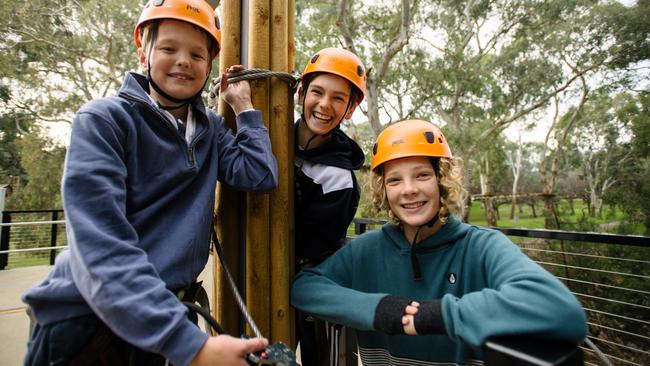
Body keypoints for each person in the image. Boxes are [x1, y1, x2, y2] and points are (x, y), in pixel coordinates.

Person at [22, 0, 277, 365]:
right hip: (89, 321)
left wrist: (244, 110)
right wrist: (190, 343)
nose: (184, 61)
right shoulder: (104, 121)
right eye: (169, 48)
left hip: (164, 318)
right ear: (144, 50)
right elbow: (101, 243)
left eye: (197, 54)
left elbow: (260, 175)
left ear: (210, 64)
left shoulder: (209, 128)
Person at [291, 119, 587, 364]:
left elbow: (561, 311)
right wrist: (377, 310)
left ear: (441, 180)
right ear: (384, 190)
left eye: (421, 175)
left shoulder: (482, 248)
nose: (408, 190)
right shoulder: (366, 250)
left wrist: (439, 315)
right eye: (395, 180)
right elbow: (305, 288)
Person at [293, 48, 366, 366]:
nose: (324, 105)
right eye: (317, 92)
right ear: (301, 92)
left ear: (350, 109)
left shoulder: (338, 180)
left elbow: (308, 245)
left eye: (338, 98)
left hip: (314, 277)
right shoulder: (268, 133)